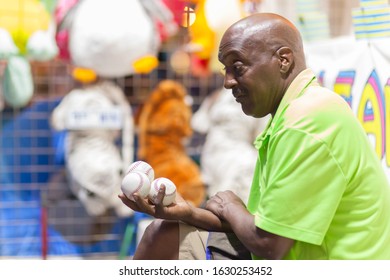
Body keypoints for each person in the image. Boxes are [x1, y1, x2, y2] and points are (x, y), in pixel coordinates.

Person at [118, 13, 390, 260]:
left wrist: (232, 206)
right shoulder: (292, 113)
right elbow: (265, 225)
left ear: (283, 60)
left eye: (238, 67)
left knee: (165, 241)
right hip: (286, 254)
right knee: (163, 232)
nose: (228, 82)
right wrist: (190, 212)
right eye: (226, 70)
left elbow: (269, 244)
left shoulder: (306, 121)